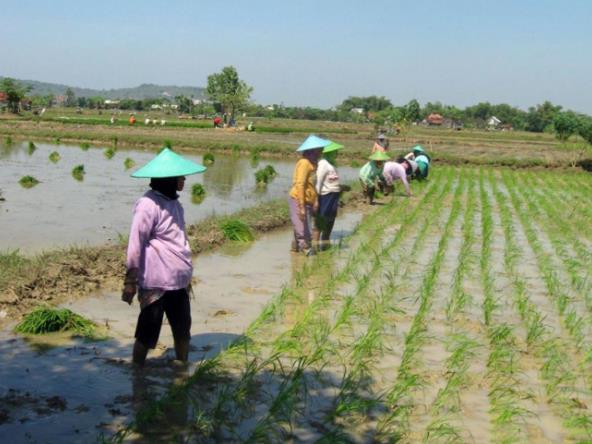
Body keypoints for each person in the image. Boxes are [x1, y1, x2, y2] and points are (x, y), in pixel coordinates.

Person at [122, 148, 207, 366]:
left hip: (178, 283)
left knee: (182, 330)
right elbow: (135, 243)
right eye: (180, 177)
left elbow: (178, 241)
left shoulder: (175, 204)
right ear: (167, 179)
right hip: (156, 283)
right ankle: (137, 375)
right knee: (146, 334)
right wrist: (130, 281)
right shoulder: (148, 205)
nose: (184, 180)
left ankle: (181, 370)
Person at [289, 134, 331, 256]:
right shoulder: (304, 163)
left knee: (300, 224)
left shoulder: (313, 164)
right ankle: (306, 251)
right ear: (313, 150)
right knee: (303, 228)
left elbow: (312, 185)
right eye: (320, 149)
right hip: (298, 198)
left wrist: (316, 200)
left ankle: (294, 252)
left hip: (308, 200)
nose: (322, 151)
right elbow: (300, 184)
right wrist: (301, 206)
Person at [314, 141, 343, 250]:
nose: (337, 153)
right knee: (321, 223)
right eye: (335, 151)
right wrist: (316, 200)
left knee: (330, 220)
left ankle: (325, 245)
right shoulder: (323, 164)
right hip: (325, 196)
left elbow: (334, 183)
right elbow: (319, 182)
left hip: (334, 196)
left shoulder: (332, 164)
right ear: (330, 152)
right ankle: (315, 247)